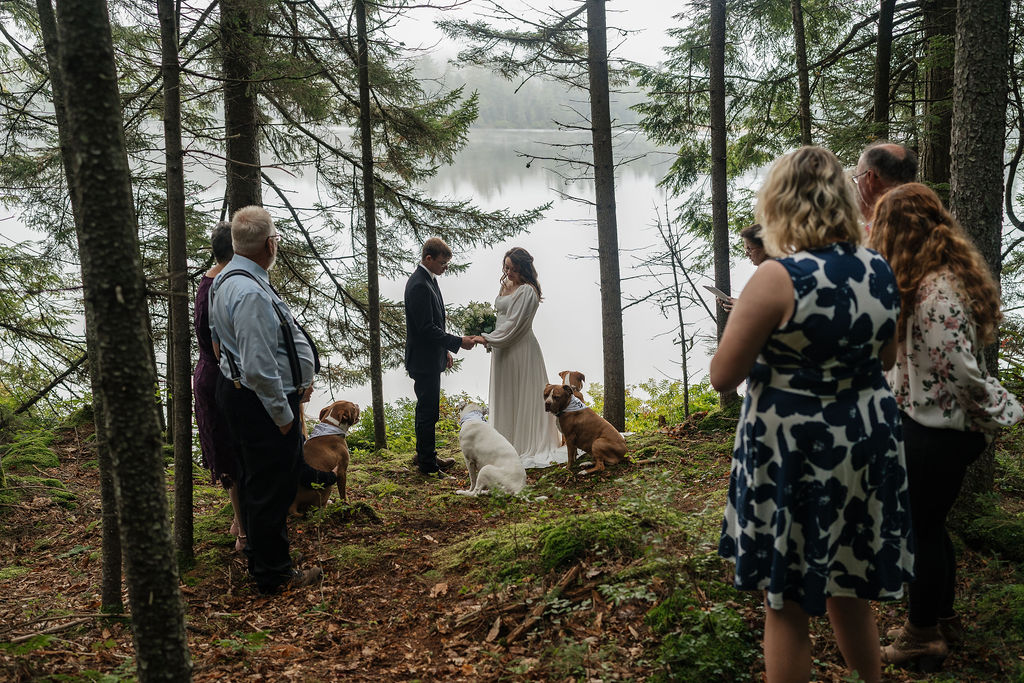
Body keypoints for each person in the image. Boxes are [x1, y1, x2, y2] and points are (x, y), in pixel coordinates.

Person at [711, 146, 913, 683]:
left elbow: (722, 376)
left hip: (794, 450)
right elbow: (887, 357)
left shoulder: (777, 277)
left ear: (780, 204)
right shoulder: (878, 269)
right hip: (865, 442)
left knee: (786, 601)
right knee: (849, 586)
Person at [869, 183, 1024, 668]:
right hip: (933, 427)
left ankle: (922, 637)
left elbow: (958, 368)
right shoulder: (930, 278)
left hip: (937, 432)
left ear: (897, 231)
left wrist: (996, 407)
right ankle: (941, 617)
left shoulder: (935, 290)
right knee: (931, 528)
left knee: (920, 531)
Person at [209, 205, 322, 593]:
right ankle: (275, 575)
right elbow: (258, 367)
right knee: (272, 486)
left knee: (258, 480)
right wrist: (283, 415)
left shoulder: (228, 278)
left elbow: (220, 341)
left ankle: (262, 562)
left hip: (242, 396)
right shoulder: (249, 292)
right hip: (260, 404)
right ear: (270, 244)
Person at [471, 247, 563, 469]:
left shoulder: (528, 292)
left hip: (520, 349)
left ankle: (524, 444)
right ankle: (504, 445)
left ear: (523, 268)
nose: (508, 272)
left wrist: (487, 338)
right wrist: (488, 331)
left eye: (512, 268)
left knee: (523, 395)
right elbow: (502, 317)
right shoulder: (506, 285)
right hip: (502, 348)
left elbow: (514, 325)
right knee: (505, 394)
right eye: (506, 267)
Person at [193, 221, 247, 551]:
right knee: (236, 455)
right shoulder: (223, 284)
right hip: (221, 377)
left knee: (232, 454)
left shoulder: (210, 279)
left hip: (209, 374)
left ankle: (239, 521)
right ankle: (245, 533)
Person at [404, 237, 476, 475]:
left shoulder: (430, 280)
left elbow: (436, 321)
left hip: (431, 355)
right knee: (428, 412)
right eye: (443, 263)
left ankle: (425, 455)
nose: (446, 268)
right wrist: (457, 342)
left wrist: (444, 349)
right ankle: (427, 465)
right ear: (428, 258)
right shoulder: (418, 285)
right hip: (423, 360)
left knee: (427, 409)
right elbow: (425, 328)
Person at [851, 141, 917, 226]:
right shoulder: (932, 218)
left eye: (857, 178)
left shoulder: (871, 234)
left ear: (870, 177)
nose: (857, 184)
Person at [722, 224, 768, 312]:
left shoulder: (777, 273)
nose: (746, 254)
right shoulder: (764, 273)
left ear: (765, 247)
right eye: (746, 249)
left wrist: (742, 307)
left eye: (749, 249)